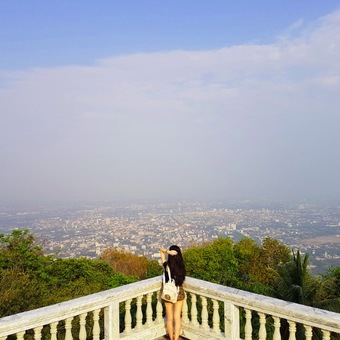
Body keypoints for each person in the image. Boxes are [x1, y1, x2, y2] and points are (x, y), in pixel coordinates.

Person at [160, 245, 186, 340]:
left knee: (169, 318)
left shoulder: (167, 266)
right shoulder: (182, 267)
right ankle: (176, 338)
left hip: (169, 293)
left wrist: (168, 252)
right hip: (179, 292)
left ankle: (171, 338)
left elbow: (161, 250)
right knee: (177, 318)